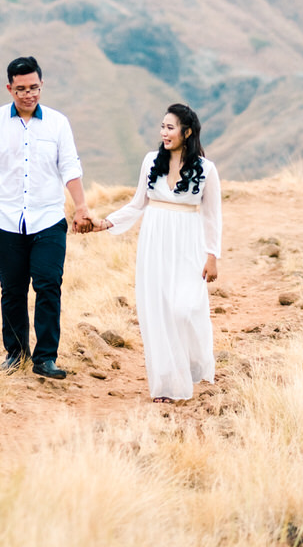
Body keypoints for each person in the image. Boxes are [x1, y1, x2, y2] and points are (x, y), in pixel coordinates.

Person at [0, 55, 93, 379]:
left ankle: (45, 358)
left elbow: (70, 167)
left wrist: (81, 207)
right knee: (12, 289)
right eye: (21, 89)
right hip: (7, 219)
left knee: (49, 284)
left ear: (41, 85)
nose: (28, 94)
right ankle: (16, 353)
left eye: (34, 87)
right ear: (10, 88)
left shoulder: (57, 123)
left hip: (48, 217)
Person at [89, 104, 221, 402]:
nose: (164, 132)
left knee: (185, 308)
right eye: (162, 127)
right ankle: (167, 384)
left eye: (170, 127)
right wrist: (107, 222)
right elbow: (137, 204)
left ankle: (194, 363)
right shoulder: (151, 162)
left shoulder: (206, 169)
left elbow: (213, 216)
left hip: (189, 242)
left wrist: (212, 255)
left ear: (187, 132)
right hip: (155, 241)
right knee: (159, 312)